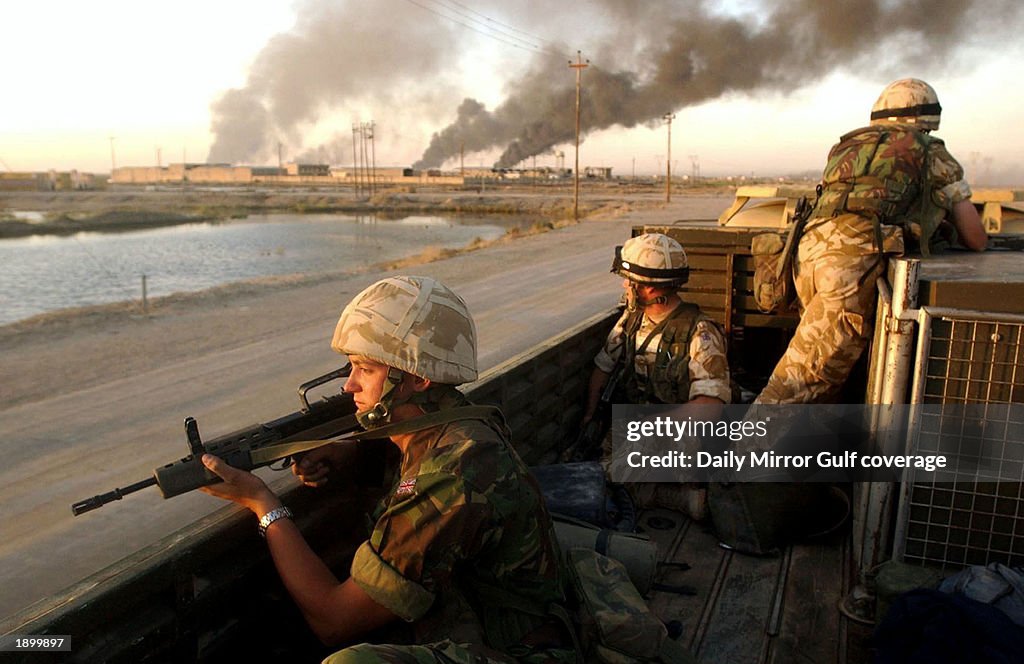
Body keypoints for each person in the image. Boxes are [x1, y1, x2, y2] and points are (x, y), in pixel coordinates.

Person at [200, 275, 575, 663]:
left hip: (515, 650)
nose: (349, 386)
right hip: (474, 615)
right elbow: (416, 456)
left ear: (416, 378)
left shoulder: (453, 474)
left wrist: (263, 504)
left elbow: (333, 620)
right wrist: (351, 453)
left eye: (365, 369)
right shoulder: (455, 421)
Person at [756, 78, 987, 405]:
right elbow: (975, 237)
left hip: (805, 254)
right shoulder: (928, 150)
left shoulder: (849, 146)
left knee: (827, 374)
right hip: (847, 264)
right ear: (927, 118)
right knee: (802, 381)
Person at [584, 232, 731, 518]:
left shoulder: (700, 334)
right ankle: (667, 495)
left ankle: (675, 495)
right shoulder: (632, 320)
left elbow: (711, 406)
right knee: (597, 474)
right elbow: (603, 367)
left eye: (631, 281)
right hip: (637, 423)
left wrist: (652, 428)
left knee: (606, 480)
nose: (626, 285)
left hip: (679, 432)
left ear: (650, 289)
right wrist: (590, 417)